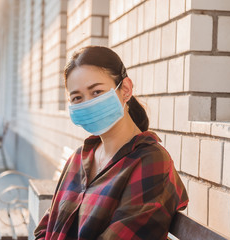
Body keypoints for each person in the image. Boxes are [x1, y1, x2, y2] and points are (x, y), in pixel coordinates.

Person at [34, 46, 188, 240]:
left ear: (125, 89)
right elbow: (46, 228)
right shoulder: (79, 158)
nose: (87, 103)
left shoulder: (150, 161)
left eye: (97, 91)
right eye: (77, 98)